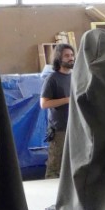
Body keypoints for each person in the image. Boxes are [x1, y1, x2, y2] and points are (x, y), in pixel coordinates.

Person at [40, 42, 75, 179]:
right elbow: (44, 104)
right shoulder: (52, 79)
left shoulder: (74, 76)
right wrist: (67, 100)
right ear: (59, 59)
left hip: (74, 127)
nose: (71, 58)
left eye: (72, 55)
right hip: (59, 129)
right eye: (67, 56)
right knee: (55, 166)